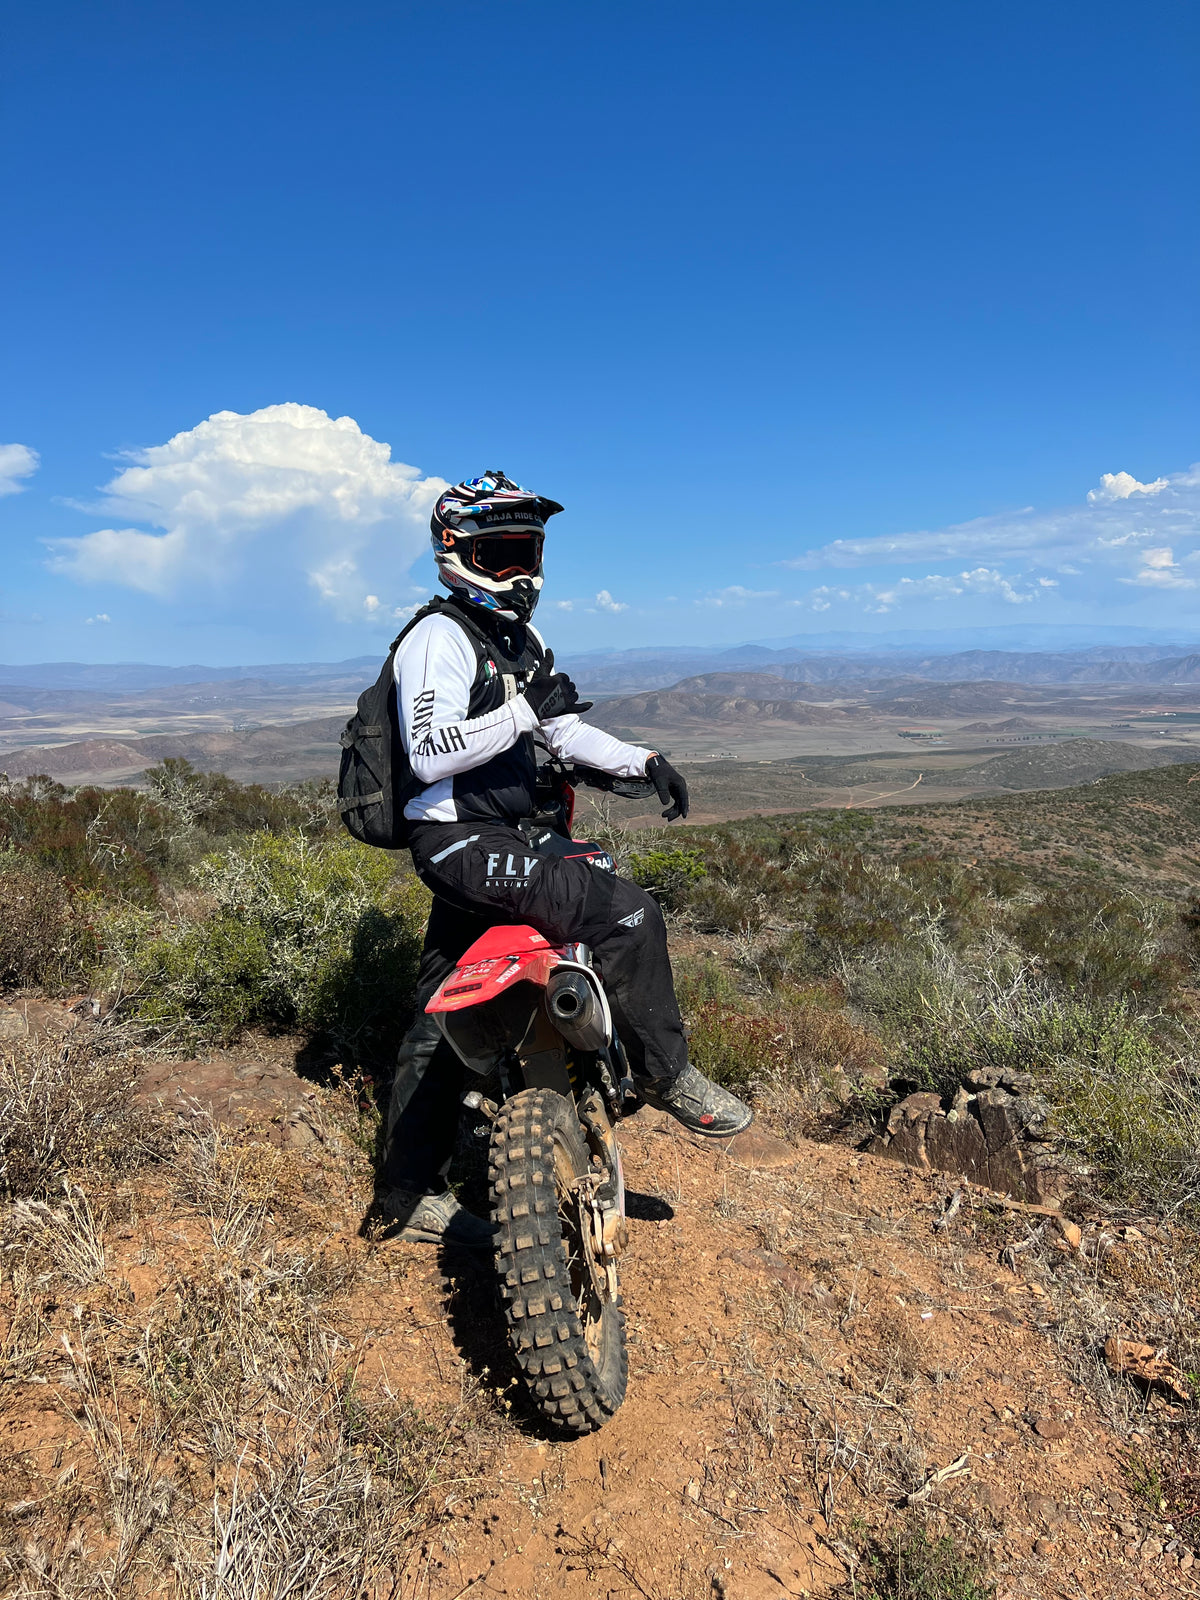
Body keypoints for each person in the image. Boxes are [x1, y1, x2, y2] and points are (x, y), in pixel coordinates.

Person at [377, 471, 752, 1246]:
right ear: (459, 552)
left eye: (528, 550)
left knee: (436, 1015)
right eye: (501, 550)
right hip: (462, 840)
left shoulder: (523, 641)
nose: (519, 570)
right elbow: (430, 748)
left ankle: (406, 1193)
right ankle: (665, 1073)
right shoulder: (438, 639)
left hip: (508, 833)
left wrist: (642, 760)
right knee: (628, 913)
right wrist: (522, 712)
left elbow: (560, 730)